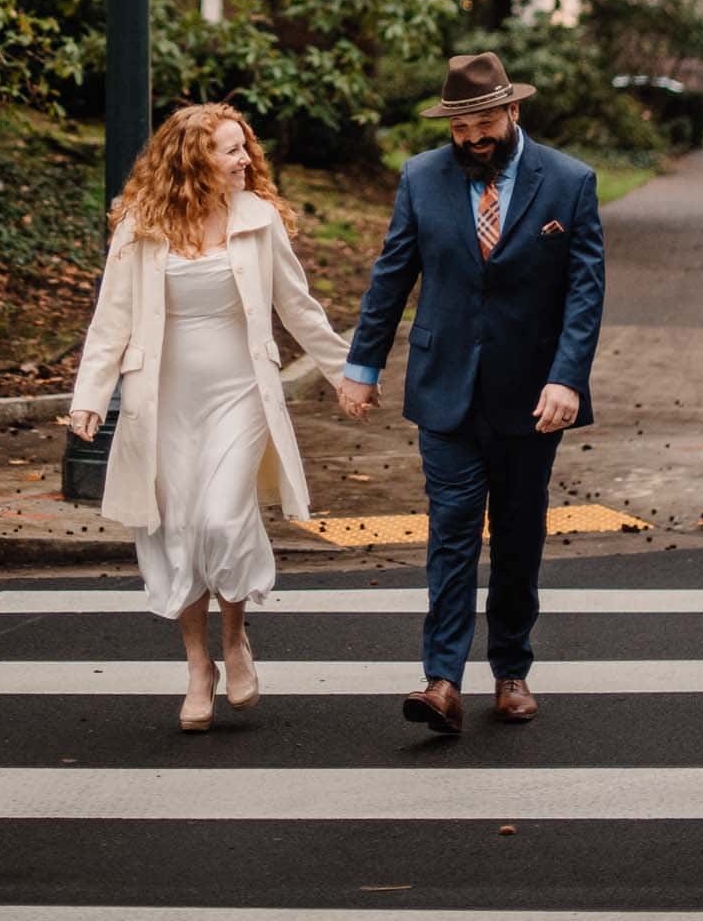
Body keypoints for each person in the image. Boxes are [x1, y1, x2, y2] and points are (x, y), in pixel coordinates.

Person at [339, 50, 605, 736]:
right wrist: (361, 366)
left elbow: (583, 293)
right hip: (444, 392)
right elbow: (390, 276)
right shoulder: (420, 178)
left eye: (484, 123)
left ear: (512, 111)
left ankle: (511, 670)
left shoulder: (569, 182)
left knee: (518, 539)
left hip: (531, 397)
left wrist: (566, 377)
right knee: (451, 535)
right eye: (460, 128)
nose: (472, 139)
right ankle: (442, 681)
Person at [68, 102, 351, 731]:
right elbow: (111, 320)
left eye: (244, 146)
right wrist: (89, 397)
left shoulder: (259, 220)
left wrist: (346, 373)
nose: (246, 159)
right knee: (178, 530)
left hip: (240, 390)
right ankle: (199, 666)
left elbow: (298, 308)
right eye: (231, 150)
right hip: (162, 400)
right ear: (195, 160)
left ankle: (236, 638)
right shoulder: (140, 226)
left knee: (223, 519)